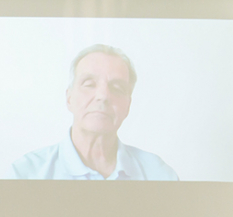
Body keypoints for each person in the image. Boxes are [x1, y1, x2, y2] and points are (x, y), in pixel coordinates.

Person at [9, 44, 178, 181]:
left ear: (128, 106)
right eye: (89, 84)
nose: (103, 96)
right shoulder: (25, 174)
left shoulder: (160, 175)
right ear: (69, 99)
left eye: (117, 88)